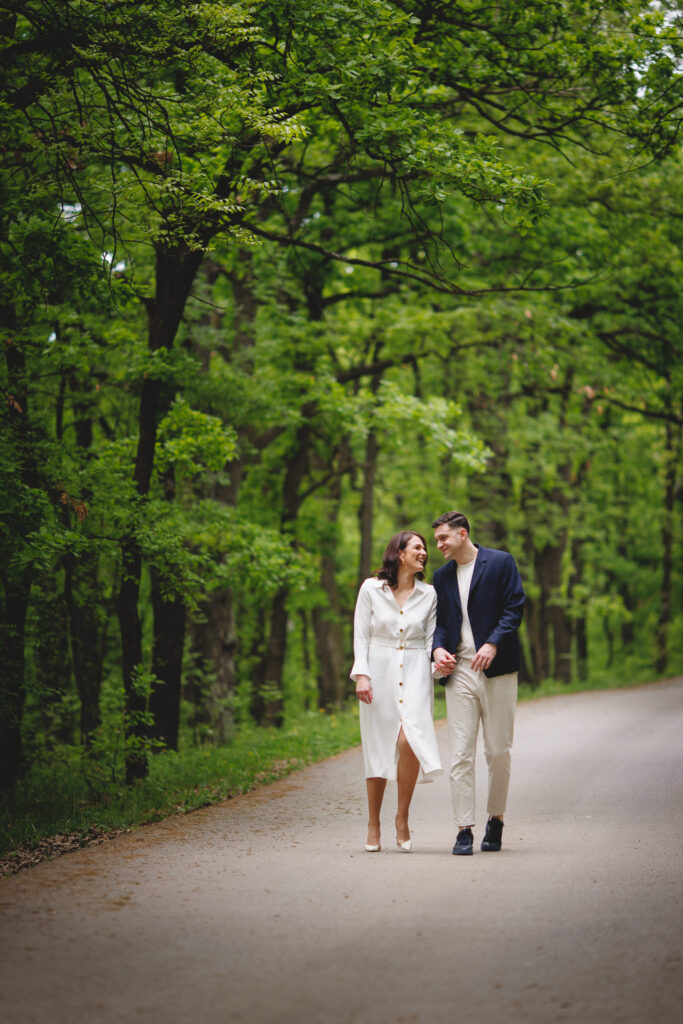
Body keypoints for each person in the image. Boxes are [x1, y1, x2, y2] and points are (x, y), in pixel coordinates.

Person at [431, 511, 525, 856]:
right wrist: (437, 649)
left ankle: (495, 818)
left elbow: (514, 607)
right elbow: (440, 623)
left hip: (498, 669)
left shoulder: (500, 562)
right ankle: (463, 829)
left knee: (498, 751)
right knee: (460, 753)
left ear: (463, 534)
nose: (438, 545)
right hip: (459, 672)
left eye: (443, 538)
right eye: (436, 539)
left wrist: (493, 642)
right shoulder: (442, 576)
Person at [351, 531, 443, 853]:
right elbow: (361, 635)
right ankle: (373, 823)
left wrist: (439, 664)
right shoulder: (370, 589)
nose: (424, 552)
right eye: (417, 547)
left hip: (416, 671)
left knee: (409, 742)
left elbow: (431, 640)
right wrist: (362, 675)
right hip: (379, 670)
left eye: (425, 548)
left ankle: (402, 818)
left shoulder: (429, 594)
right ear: (400, 554)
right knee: (377, 746)